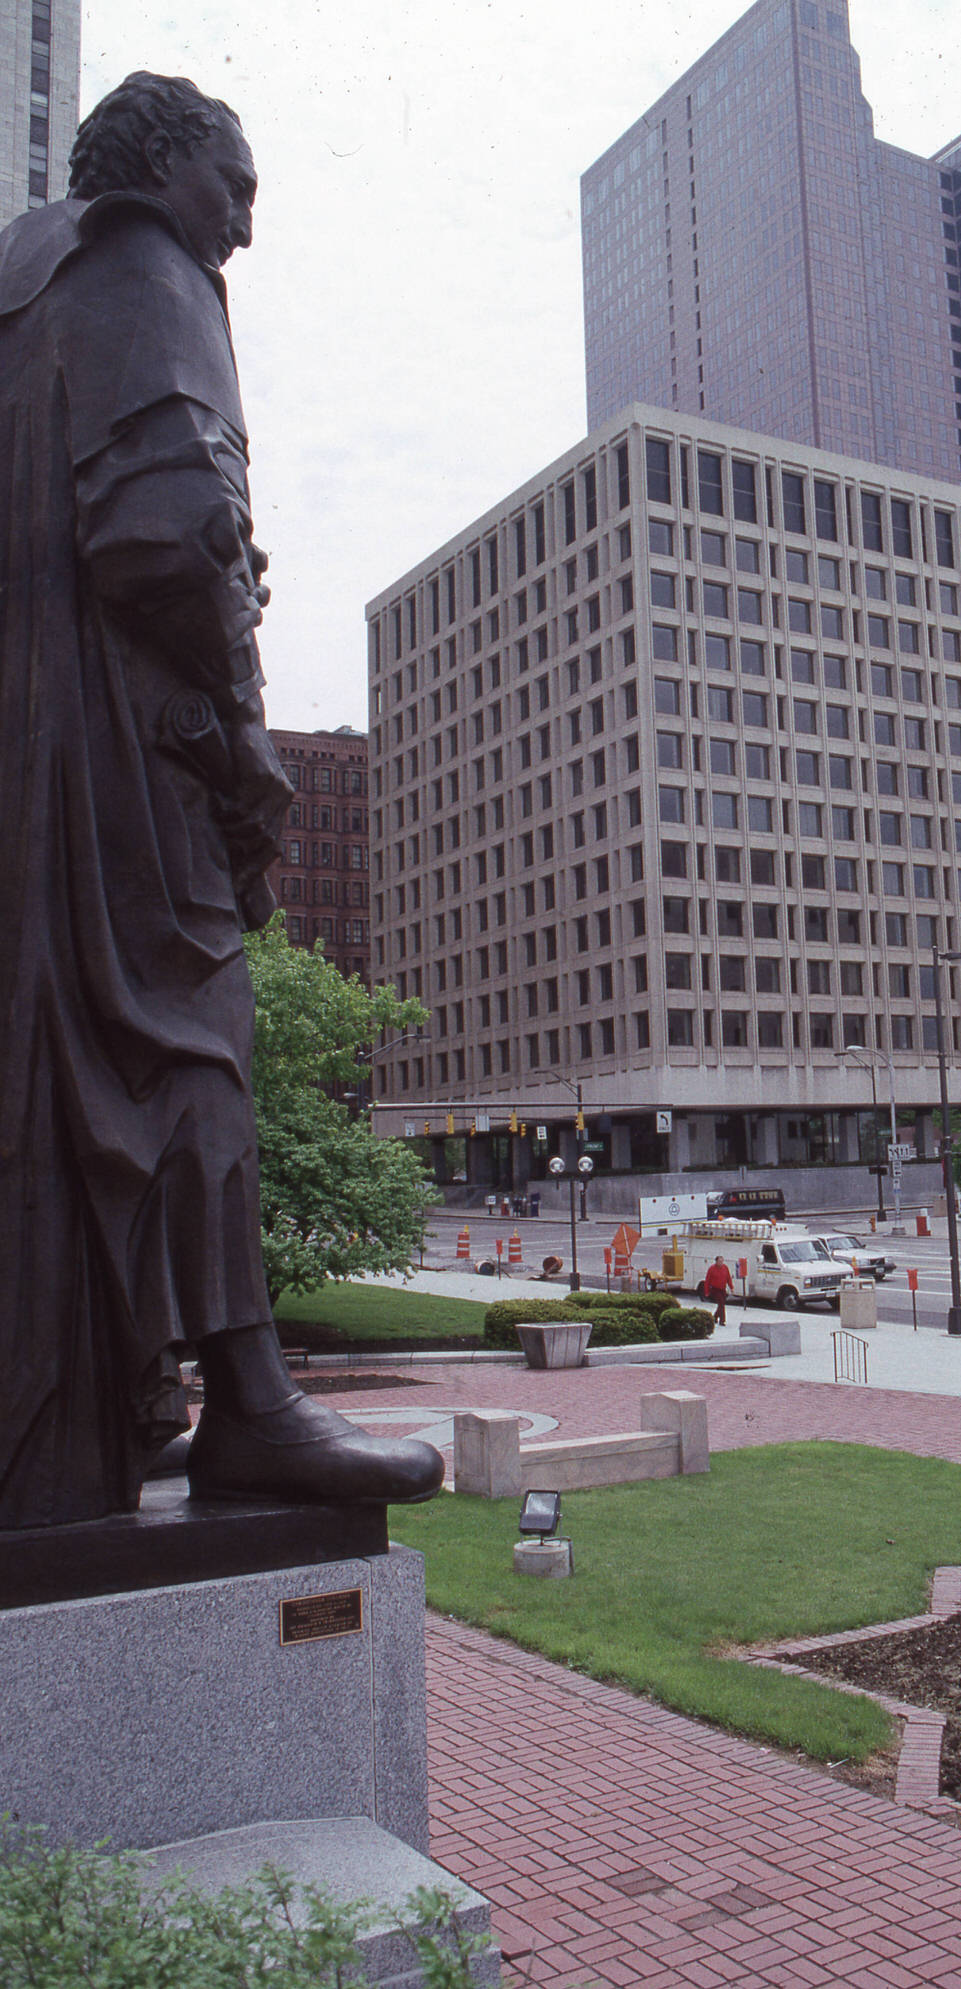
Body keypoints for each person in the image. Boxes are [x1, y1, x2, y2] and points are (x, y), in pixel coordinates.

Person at [0, 74, 441, 1527]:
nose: (243, 224)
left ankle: (115, 1401)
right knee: (195, 1047)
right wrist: (240, 726)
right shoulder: (145, 263)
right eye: (234, 184)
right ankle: (249, 1403)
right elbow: (167, 529)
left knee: (68, 1073)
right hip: (132, 764)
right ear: (160, 165)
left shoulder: (23, 278)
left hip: (36, 757)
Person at [703, 1255, 734, 1328]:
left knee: (721, 1304)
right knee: (721, 1304)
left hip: (722, 1289)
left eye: (722, 1261)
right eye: (719, 1261)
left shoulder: (725, 1268)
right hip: (715, 1289)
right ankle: (722, 1321)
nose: (721, 1263)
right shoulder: (712, 1269)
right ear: (716, 1262)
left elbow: (728, 1278)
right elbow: (707, 1280)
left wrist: (731, 1287)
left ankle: (715, 1317)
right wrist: (706, 1291)